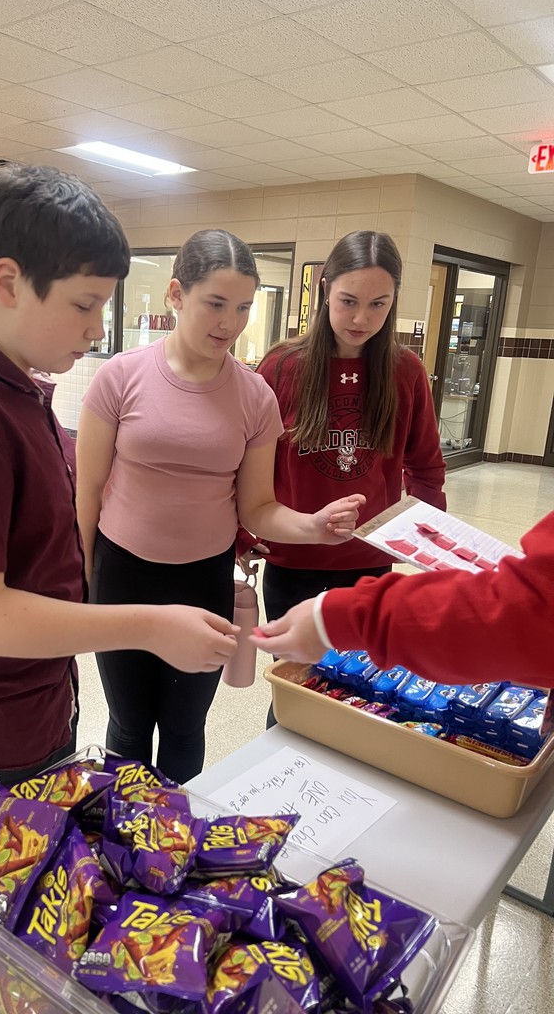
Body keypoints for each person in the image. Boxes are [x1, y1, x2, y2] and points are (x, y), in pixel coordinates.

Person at [0, 166, 242, 839]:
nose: (96, 329)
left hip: (16, 699)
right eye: (84, 304)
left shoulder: (13, 384)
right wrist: (147, 626)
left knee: (27, 901)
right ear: (8, 282)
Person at [75, 229, 365, 782]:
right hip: (122, 575)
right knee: (129, 723)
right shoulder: (120, 377)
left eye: (243, 308)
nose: (228, 323)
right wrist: (83, 576)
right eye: (215, 303)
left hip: (203, 578)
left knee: (184, 727)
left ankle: (174, 844)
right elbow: (86, 493)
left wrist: (312, 526)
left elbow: (257, 507)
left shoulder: (254, 395)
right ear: (176, 294)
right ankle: (125, 842)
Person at [240, 230, 446, 725]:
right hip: (293, 561)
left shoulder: (405, 371)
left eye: (378, 305)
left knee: (360, 697)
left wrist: (428, 540)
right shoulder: (283, 366)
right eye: (348, 301)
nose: (361, 319)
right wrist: (242, 533)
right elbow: (248, 465)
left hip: (371, 564)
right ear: (324, 290)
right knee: (298, 693)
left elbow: (425, 466)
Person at [250, 509, 554, 688]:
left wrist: (349, 616)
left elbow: (528, 609)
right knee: (295, 684)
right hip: (293, 561)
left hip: (367, 558)